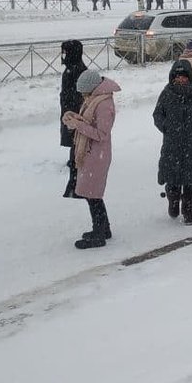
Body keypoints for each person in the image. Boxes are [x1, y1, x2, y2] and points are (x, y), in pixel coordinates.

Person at [153, 58, 192, 225]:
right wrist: (166, 127)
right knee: (172, 178)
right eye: (177, 77)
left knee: (190, 181)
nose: (180, 79)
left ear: (189, 77)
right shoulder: (167, 93)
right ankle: (173, 201)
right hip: (172, 143)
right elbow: (157, 114)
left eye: (183, 76)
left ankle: (189, 211)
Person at [63, 69, 120, 249]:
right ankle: (104, 228)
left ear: (92, 88)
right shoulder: (95, 99)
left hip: (97, 155)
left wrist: (78, 125)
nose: (82, 95)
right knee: (91, 195)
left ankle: (99, 233)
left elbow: (102, 134)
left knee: (93, 195)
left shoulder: (104, 104)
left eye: (83, 91)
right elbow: (90, 123)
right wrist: (74, 118)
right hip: (90, 153)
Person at [59, 40, 88, 198]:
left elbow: (80, 95)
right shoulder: (73, 68)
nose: (63, 56)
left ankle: (76, 182)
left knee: (77, 142)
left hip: (74, 113)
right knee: (75, 142)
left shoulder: (77, 71)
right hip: (71, 111)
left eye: (65, 52)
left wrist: (71, 113)